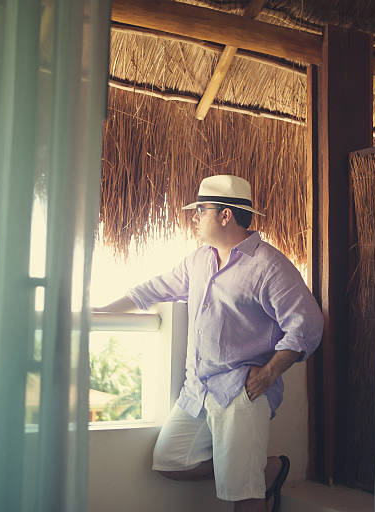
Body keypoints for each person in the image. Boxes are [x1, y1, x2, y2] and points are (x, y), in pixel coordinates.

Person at [94, 175, 324, 512]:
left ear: (225, 215)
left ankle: (255, 476)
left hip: (241, 393)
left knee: (243, 496)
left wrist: (271, 372)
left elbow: (307, 324)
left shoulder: (269, 266)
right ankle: (268, 469)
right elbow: (152, 289)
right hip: (198, 390)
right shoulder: (199, 260)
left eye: (201, 210)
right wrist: (99, 312)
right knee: (171, 461)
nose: (194, 217)